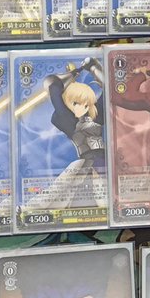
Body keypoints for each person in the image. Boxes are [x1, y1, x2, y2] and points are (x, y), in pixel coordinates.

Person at [31, 62, 106, 210]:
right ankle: (30, 209)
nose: (83, 107)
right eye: (76, 103)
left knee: (104, 195)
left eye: (86, 104)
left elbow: (108, 88)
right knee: (58, 190)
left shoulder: (95, 116)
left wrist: (93, 67)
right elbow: (53, 87)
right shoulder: (68, 121)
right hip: (86, 161)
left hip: (102, 161)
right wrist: (71, 75)